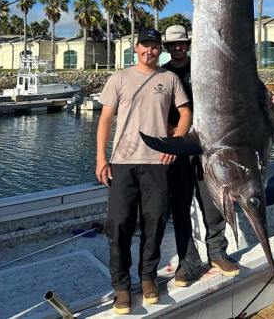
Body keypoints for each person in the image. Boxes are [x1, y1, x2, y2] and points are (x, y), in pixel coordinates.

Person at [95, 28, 192, 314]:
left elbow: (185, 112)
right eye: (144, 46)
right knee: (119, 224)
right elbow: (105, 120)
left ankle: (147, 277)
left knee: (155, 222)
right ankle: (121, 287)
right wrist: (101, 159)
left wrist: (174, 144)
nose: (149, 51)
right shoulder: (119, 78)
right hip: (123, 162)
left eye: (154, 47)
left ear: (160, 50)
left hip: (157, 163)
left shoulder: (169, 79)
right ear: (135, 48)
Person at [160, 24, 241, 287]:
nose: (178, 47)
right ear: (168, 47)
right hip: (180, 147)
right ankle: (189, 261)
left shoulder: (202, 67)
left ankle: (217, 252)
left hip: (208, 146)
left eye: (182, 43)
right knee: (180, 206)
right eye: (173, 44)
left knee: (212, 202)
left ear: (188, 44)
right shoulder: (163, 74)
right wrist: (171, 132)